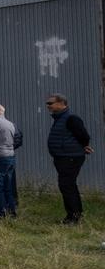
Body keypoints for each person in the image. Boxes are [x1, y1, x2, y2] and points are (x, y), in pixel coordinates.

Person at [46, 93, 93, 225]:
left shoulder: (71, 118)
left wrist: (83, 146)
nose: (48, 106)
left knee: (67, 186)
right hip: (63, 157)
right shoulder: (60, 119)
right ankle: (73, 215)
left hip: (70, 158)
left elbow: (84, 135)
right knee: (68, 186)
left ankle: (74, 217)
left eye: (50, 103)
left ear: (62, 103)